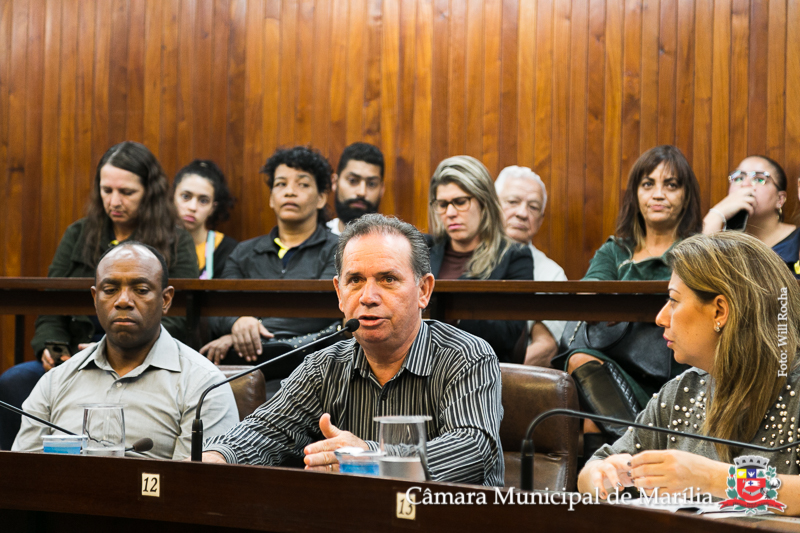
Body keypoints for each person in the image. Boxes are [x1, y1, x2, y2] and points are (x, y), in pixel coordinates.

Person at [201, 214, 504, 487]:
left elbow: (472, 448)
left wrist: (370, 458)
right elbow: (265, 431)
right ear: (339, 293)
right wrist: (215, 458)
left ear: (423, 290)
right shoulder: (324, 367)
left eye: (388, 279)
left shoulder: (466, 356)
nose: (368, 297)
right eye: (355, 280)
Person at [578, 232, 800, 515]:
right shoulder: (683, 391)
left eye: (673, 300)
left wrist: (711, 478)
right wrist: (602, 475)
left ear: (720, 311)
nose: (660, 318)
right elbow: (592, 472)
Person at [0, 141, 199, 450]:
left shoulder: (175, 239)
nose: (114, 201)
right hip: (72, 354)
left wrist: (106, 347)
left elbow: (180, 314)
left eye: (126, 192)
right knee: (14, 381)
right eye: (107, 190)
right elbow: (51, 303)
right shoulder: (79, 234)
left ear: (149, 192)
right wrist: (52, 347)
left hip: (141, 350)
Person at [13, 242, 238, 459]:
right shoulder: (55, 382)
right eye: (110, 290)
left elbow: (193, 480)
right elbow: (22, 473)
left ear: (166, 300)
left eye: (141, 290)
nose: (123, 301)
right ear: (95, 298)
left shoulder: (204, 385)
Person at [559, 145, 703, 454]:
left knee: (593, 419)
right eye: (648, 184)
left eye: (671, 185)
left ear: (686, 196)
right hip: (616, 367)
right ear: (636, 195)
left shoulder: (697, 249)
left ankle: (633, 458)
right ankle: (640, 455)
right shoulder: (616, 250)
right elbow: (589, 292)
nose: (658, 194)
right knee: (580, 362)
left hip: (681, 367)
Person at [200, 146, 339, 365]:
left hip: (314, 362)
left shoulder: (338, 249)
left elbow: (321, 311)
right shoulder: (243, 252)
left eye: (302, 184)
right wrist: (237, 322)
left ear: (321, 198)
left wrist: (247, 332)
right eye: (281, 184)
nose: (290, 191)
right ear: (272, 199)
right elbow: (219, 308)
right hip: (248, 363)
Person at [428, 155, 533, 362]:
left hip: (479, 367)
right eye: (442, 204)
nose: (450, 212)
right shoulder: (423, 248)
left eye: (460, 202)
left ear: (484, 203)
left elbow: (509, 333)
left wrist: (453, 312)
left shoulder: (514, 256)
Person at [495, 165, 568, 367]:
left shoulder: (551, 274)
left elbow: (546, 348)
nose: (522, 213)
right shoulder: (463, 254)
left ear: (541, 219)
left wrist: (489, 376)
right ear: (492, 205)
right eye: (512, 202)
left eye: (533, 207)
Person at [702, 155, 800, 277]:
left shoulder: (796, 240)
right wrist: (716, 214)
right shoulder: (724, 242)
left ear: (780, 199)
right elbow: (699, 272)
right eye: (738, 178)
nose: (745, 184)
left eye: (759, 179)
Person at [172, 159, 238, 279]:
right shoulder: (154, 242)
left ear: (213, 208)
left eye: (203, 201)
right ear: (172, 197)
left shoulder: (229, 250)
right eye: (186, 196)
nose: (192, 207)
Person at [327, 142, 385, 235]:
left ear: (382, 189)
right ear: (335, 182)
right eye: (353, 180)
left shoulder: (394, 241)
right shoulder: (315, 239)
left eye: (371, 184)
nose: (362, 192)